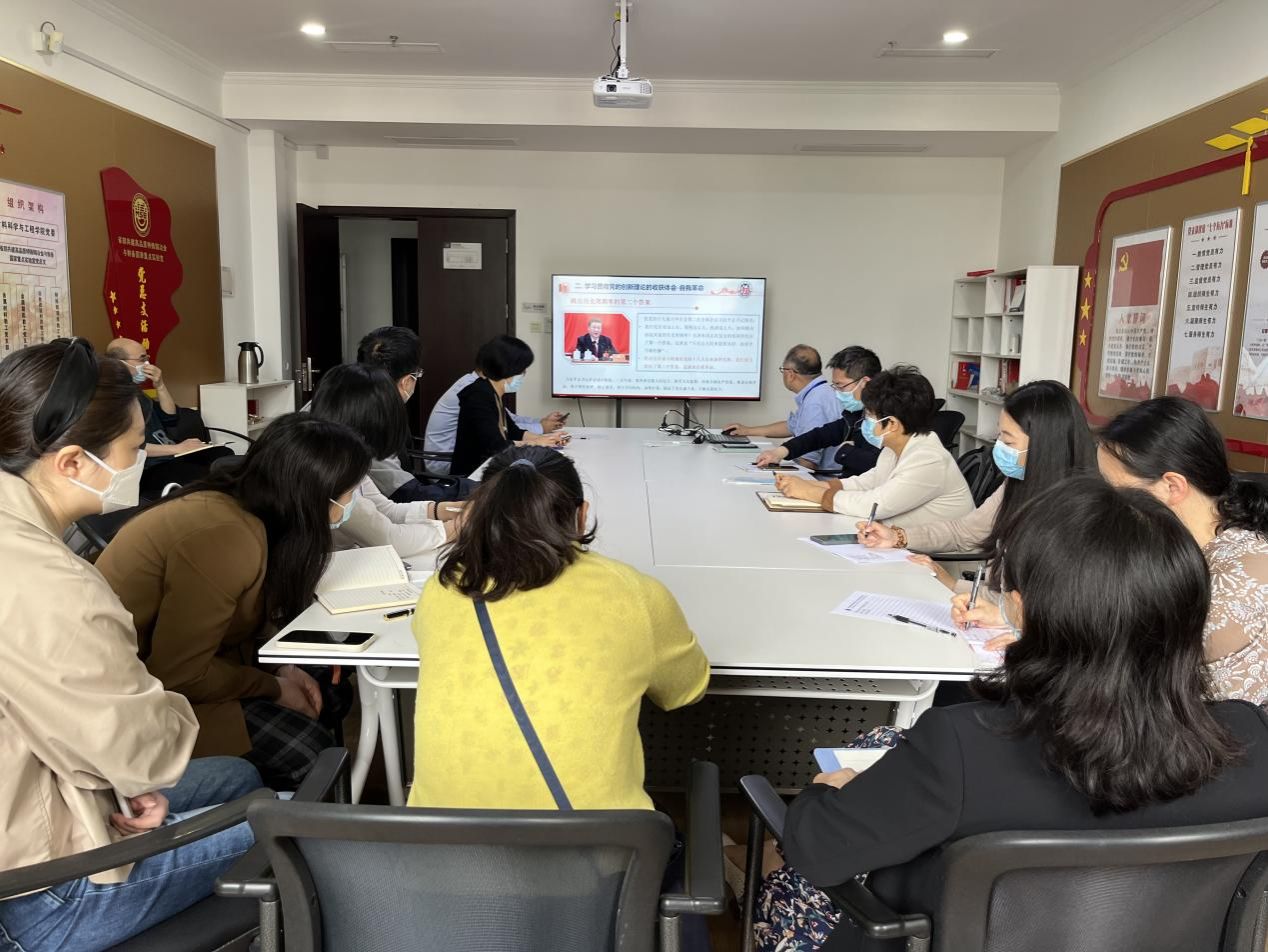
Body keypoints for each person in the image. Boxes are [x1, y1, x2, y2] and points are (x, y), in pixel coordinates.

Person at [754, 477, 1268, 952]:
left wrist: (826, 791)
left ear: (1021, 608)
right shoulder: (1253, 738)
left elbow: (816, 851)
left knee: (788, 876)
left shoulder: (962, 748)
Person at [0, 338, 260, 952]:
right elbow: (144, 750)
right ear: (71, 462)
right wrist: (136, 763)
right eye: (135, 447)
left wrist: (127, 772)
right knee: (286, 818)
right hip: (42, 889)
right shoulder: (51, 584)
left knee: (236, 775)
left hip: (35, 804)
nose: (140, 461)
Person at [410, 445, 709, 810]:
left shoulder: (442, 589)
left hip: (441, 842)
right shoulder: (634, 593)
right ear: (582, 516)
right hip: (596, 845)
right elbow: (687, 690)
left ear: (478, 514)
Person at [97, 413, 374, 788]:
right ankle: (287, 812)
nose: (351, 503)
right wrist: (274, 686)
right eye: (349, 493)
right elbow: (181, 673)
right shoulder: (225, 534)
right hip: (141, 702)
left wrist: (280, 669)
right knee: (310, 753)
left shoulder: (251, 510)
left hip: (199, 664)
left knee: (330, 685)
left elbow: (240, 618)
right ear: (312, 496)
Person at [1096, 396, 1268, 704]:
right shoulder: (1200, 545)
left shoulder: (1228, 584)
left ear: (1172, 487)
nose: (1110, 507)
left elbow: (1137, 682)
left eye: (1117, 492)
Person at [859, 380, 1095, 590]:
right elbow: (966, 532)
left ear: (1044, 446)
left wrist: (961, 590)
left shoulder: (1077, 511)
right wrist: (897, 537)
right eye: (999, 436)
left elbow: (1028, 609)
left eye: (1008, 441)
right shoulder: (1019, 481)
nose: (998, 446)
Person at [773, 365, 973, 525]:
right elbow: (866, 483)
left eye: (869, 414)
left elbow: (875, 505)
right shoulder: (895, 448)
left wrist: (810, 492)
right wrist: (810, 485)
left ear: (892, 424)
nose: (864, 421)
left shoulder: (928, 459)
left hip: (934, 557)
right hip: (898, 543)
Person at [311, 363, 462, 562]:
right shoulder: (330, 470)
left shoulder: (342, 455)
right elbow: (387, 537)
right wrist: (456, 528)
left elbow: (385, 509)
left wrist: (441, 510)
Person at [352, 326, 475, 503]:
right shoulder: (370, 417)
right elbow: (401, 491)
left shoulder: (350, 397)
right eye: (417, 373)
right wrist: (472, 489)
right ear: (406, 381)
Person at [104, 337, 231, 495]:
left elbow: (170, 417)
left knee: (224, 456)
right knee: (201, 475)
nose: (147, 364)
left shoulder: (138, 393)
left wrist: (160, 385)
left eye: (147, 358)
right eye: (141, 359)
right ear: (119, 364)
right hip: (149, 466)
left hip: (171, 454)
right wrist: (177, 448)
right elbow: (130, 446)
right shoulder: (111, 399)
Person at [424, 339, 568, 476]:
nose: (524, 374)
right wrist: (536, 443)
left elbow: (514, 432)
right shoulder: (477, 395)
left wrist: (548, 439)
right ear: (510, 368)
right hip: (473, 474)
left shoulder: (492, 392)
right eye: (522, 370)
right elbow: (496, 447)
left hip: (491, 467)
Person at [754, 346, 882, 476]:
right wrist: (780, 452)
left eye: (841, 386)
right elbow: (820, 435)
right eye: (835, 386)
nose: (837, 393)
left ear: (864, 382)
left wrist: (845, 452)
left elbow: (877, 466)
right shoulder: (856, 415)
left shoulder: (888, 418)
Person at [723, 345, 843, 468]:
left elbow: (808, 462)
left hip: (820, 477)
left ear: (790, 374)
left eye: (783, 370)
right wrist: (747, 430)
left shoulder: (815, 402)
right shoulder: (819, 392)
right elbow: (792, 426)